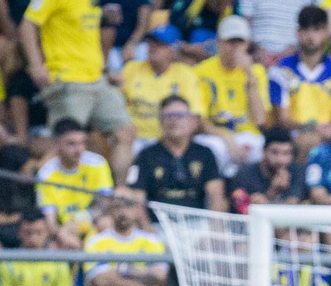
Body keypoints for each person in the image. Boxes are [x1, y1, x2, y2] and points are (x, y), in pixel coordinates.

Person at [22, 0, 136, 180]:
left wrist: (105, 69)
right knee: (65, 142)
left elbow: (87, 36)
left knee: (125, 132)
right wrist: (36, 65)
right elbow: (27, 24)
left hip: (98, 79)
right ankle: (30, 186)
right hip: (68, 79)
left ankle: (120, 194)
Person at [194, 15, 270, 174]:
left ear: (247, 44)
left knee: (261, 151)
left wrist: (249, 75)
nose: (234, 47)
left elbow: (260, 120)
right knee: (214, 150)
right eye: (230, 41)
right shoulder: (201, 71)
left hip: (248, 134)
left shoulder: (257, 72)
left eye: (239, 41)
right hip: (215, 135)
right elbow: (199, 119)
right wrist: (227, 138)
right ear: (219, 42)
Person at [129, 93, 227, 211]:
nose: (174, 120)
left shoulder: (205, 153)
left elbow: (216, 195)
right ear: (160, 122)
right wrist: (148, 229)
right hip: (158, 224)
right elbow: (138, 198)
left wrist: (215, 228)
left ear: (191, 121)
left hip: (197, 223)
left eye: (180, 115)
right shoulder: (146, 155)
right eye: (169, 115)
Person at [270, 6, 331, 138]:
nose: (310, 36)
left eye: (317, 29)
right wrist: (311, 128)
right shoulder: (280, 70)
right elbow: (282, 120)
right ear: (298, 32)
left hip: (330, 138)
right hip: (291, 138)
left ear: (326, 32)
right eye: (305, 29)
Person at [121, 27, 201, 153]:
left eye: (160, 44)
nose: (153, 47)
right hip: (135, 139)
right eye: (151, 43)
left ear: (173, 51)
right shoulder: (131, 69)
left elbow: (195, 116)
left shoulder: (185, 74)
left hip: (169, 141)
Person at [36, 116, 113, 246]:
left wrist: (79, 221)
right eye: (71, 144)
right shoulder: (46, 175)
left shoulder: (97, 163)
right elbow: (51, 222)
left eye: (82, 143)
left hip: (94, 220)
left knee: (107, 224)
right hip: (64, 230)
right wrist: (63, 233)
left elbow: (105, 204)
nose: (79, 150)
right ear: (57, 145)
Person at [83, 191, 166, 286]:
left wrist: (120, 270)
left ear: (136, 210)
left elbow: (159, 276)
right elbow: (100, 281)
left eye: (128, 206)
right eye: (117, 207)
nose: (122, 212)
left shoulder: (152, 241)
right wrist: (143, 280)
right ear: (110, 210)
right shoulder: (96, 241)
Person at [0, 207, 76, 286]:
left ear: (47, 233)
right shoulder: (8, 263)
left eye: (38, 232)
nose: (33, 239)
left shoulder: (59, 263)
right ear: (19, 233)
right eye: (28, 233)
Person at [229, 126, 308, 207]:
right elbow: (240, 209)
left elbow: (294, 206)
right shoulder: (245, 174)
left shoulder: (297, 171)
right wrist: (272, 192)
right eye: (275, 152)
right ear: (264, 151)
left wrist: (267, 201)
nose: (280, 159)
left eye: (286, 153)